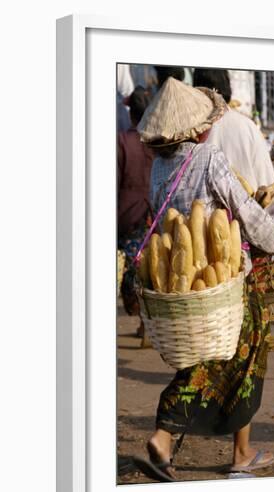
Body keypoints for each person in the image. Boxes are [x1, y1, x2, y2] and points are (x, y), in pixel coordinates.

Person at [136, 77, 274, 480]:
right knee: (235, 355)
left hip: (185, 281)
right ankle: (181, 436)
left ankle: (211, 446)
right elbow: (243, 210)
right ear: (195, 129)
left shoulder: (160, 167)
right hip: (222, 280)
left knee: (209, 355)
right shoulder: (208, 157)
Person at [192, 68, 274, 192]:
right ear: (227, 86)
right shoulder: (248, 126)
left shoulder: (191, 131)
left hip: (201, 210)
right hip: (251, 207)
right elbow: (269, 185)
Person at [117, 86, 154, 332]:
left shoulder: (122, 142)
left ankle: (144, 322)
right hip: (153, 219)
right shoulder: (157, 142)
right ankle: (146, 324)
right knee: (148, 275)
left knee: (131, 276)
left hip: (127, 220)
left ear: (131, 114)